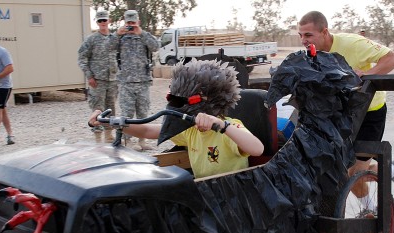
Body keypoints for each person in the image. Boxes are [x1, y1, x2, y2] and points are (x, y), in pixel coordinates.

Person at [298, 11, 394, 202]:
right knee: (340, 170)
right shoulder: (313, 54)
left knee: (352, 174)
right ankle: (393, 170)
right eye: (300, 35)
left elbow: (393, 58)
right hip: (343, 115)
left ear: (324, 32)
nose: (303, 40)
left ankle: (368, 211)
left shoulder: (353, 44)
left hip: (370, 112)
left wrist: (366, 76)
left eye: (308, 35)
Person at [88, 59, 264, 178]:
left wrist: (222, 125)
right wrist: (111, 122)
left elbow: (257, 149)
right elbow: (149, 129)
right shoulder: (189, 129)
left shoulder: (229, 128)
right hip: (205, 191)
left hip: (233, 194)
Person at [115, 10, 160, 151]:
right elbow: (107, 47)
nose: (130, 25)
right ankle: (127, 142)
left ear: (138, 22)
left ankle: (142, 141)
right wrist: (117, 34)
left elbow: (156, 46)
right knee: (127, 114)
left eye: (133, 23)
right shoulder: (120, 37)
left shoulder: (144, 36)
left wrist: (141, 33)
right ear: (124, 22)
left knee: (143, 113)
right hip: (126, 83)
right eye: (128, 23)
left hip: (143, 82)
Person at [77, 10, 119, 134]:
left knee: (111, 109)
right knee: (97, 107)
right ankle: (97, 134)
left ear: (109, 21)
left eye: (104, 20)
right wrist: (89, 76)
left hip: (112, 80)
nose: (102, 23)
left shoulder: (114, 39)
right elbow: (82, 58)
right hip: (97, 80)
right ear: (97, 22)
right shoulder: (91, 39)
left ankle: (109, 134)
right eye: (100, 21)